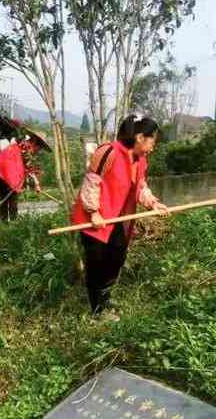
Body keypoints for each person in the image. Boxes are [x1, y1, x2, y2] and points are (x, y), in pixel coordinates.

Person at [72, 115, 169, 322]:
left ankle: (105, 299)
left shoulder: (141, 160)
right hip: (95, 219)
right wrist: (93, 212)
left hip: (117, 220)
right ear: (141, 137)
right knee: (97, 263)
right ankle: (97, 310)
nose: (154, 145)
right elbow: (92, 182)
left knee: (116, 258)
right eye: (153, 140)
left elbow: (140, 186)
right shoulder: (108, 151)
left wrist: (153, 203)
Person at [0, 138, 41, 222]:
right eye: (38, 148)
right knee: (12, 197)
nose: (38, 151)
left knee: (3, 198)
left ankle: (4, 222)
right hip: (5, 169)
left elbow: (25, 168)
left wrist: (36, 183)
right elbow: (28, 168)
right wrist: (37, 184)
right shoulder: (26, 149)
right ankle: (13, 222)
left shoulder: (20, 145)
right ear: (35, 144)